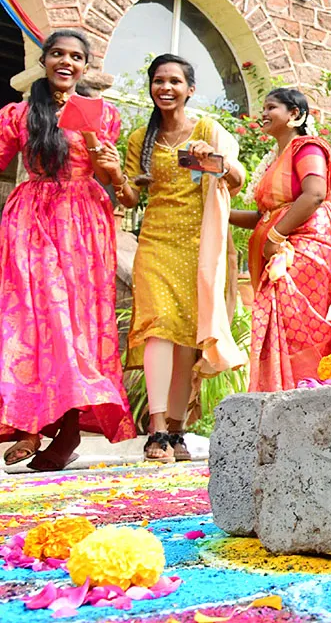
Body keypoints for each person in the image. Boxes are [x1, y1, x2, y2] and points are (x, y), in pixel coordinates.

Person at [0, 30, 134, 471]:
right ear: (45, 60)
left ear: (85, 67)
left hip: (84, 225)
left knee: (75, 327)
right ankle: (30, 422)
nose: (67, 62)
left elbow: (114, 182)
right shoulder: (18, 114)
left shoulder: (104, 115)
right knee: (31, 322)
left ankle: (66, 430)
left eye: (76, 57)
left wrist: (108, 164)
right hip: (30, 219)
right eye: (58, 54)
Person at [115, 55, 246, 462]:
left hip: (198, 242)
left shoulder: (206, 130)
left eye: (174, 81)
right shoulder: (141, 139)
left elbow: (237, 181)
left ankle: (176, 430)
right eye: (158, 81)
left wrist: (213, 158)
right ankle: (154, 431)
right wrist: (119, 180)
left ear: (190, 89)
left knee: (188, 337)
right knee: (157, 327)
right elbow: (132, 197)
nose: (165, 88)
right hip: (154, 239)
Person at [231, 89, 331, 391]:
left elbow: (315, 194)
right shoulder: (275, 160)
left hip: (306, 246)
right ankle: (279, 399)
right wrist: (220, 211)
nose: (264, 114)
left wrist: (276, 235)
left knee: (300, 328)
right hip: (278, 248)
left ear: (295, 115)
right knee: (280, 328)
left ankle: (303, 395)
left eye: (271, 107)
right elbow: (264, 216)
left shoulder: (307, 149)